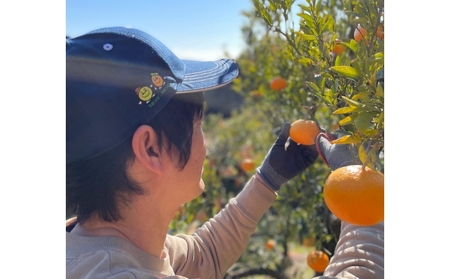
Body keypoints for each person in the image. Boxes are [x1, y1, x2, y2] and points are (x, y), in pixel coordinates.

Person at [66, 26, 383, 279]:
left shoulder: (93, 243)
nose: (205, 141)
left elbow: (205, 256)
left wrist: (267, 180)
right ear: (151, 148)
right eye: (199, 124)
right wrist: (365, 199)